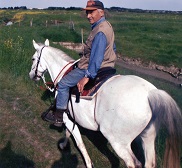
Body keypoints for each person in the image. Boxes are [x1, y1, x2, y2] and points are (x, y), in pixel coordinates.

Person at [44, 0, 117, 126]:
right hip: (108, 66)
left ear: (101, 12)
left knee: (63, 84)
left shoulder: (99, 31)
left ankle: (59, 116)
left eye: (91, 12)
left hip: (92, 67)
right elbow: (113, 48)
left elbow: (96, 58)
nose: (88, 16)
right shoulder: (106, 25)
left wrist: (87, 76)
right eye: (87, 12)